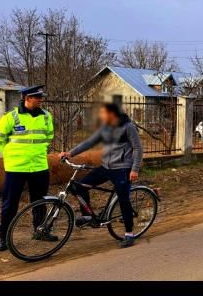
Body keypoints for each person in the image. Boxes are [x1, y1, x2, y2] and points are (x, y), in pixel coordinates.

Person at [58, 103, 143, 248]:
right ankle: (88, 215)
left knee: (123, 201)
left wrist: (134, 169)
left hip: (122, 169)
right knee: (79, 187)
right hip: (105, 167)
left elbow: (137, 148)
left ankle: (129, 233)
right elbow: (89, 142)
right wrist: (70, 153)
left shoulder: (128, 127)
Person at [0, 85, 55, 251]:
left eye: (41, 97)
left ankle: (40, 231)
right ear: (27, 98)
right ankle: (3, 238)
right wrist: (9, 155)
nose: (41, 100)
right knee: (10, 204)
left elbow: (49, 136)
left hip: (39, 166)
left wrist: (40, 151)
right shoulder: (11, 117)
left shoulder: (46, 116)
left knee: (40, 201)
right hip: (16, 168)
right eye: (38, 97)